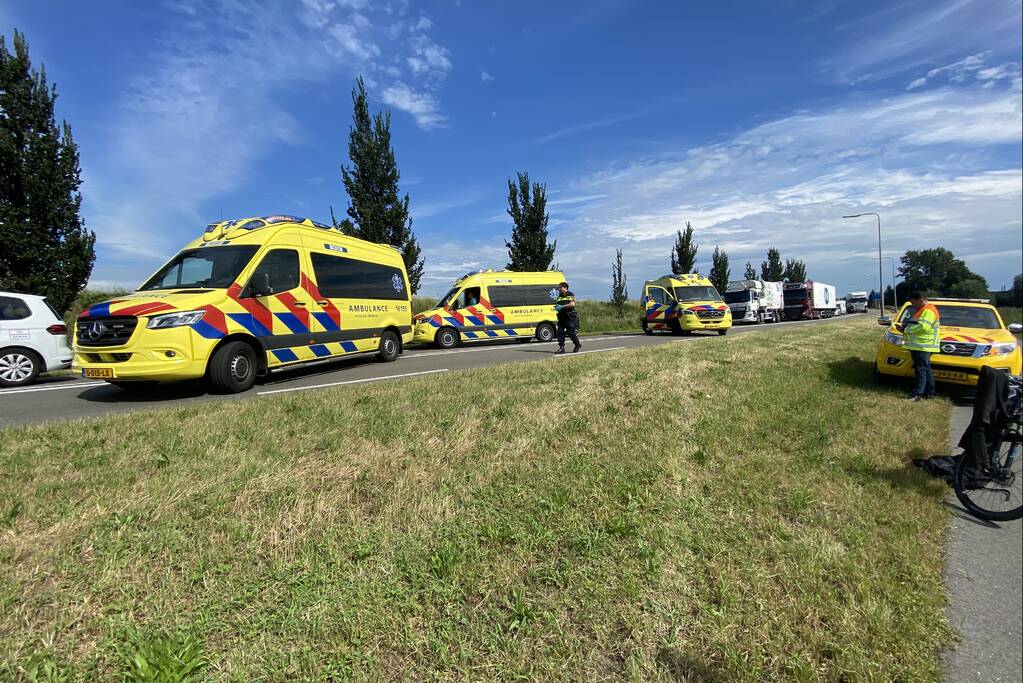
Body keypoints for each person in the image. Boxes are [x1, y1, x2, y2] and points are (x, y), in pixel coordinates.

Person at [900, 291, 940, 401]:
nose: (913, 305)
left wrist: (906, 329)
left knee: (920, 370)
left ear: (920, 300)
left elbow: (923, 327)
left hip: (922, 345)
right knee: (926, 369)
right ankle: (930, 392)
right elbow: (917, 324)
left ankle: (917, 394)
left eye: (913, 302)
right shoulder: (923, 310)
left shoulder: (928, 311)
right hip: (922, 345)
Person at [554, 281, 581, 354]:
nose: (559, 289)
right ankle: (561, 348)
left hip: (570, 317)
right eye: (558, 288)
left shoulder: (570, 294)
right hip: (561, 317)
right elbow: (558, 305)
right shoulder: (559, 296)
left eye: (560, 287)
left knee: (571, 333)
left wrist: (562, 306)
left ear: (565, 288)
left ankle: (577, 344)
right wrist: (557, 307)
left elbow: (572, 304)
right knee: (560, 333)